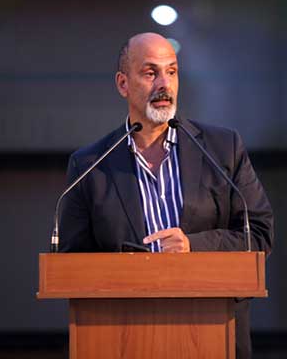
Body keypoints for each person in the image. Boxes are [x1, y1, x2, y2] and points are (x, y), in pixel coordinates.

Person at [59, 32, 274, 359]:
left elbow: (258, 234)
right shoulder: (91, 165)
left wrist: (193, 246)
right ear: (122, 84)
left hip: (213, 335)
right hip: (124, 339)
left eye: (171, 72)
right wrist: (126, 270)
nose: (164, 84)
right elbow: (73, 264)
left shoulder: (222, 148)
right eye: (150, 73)